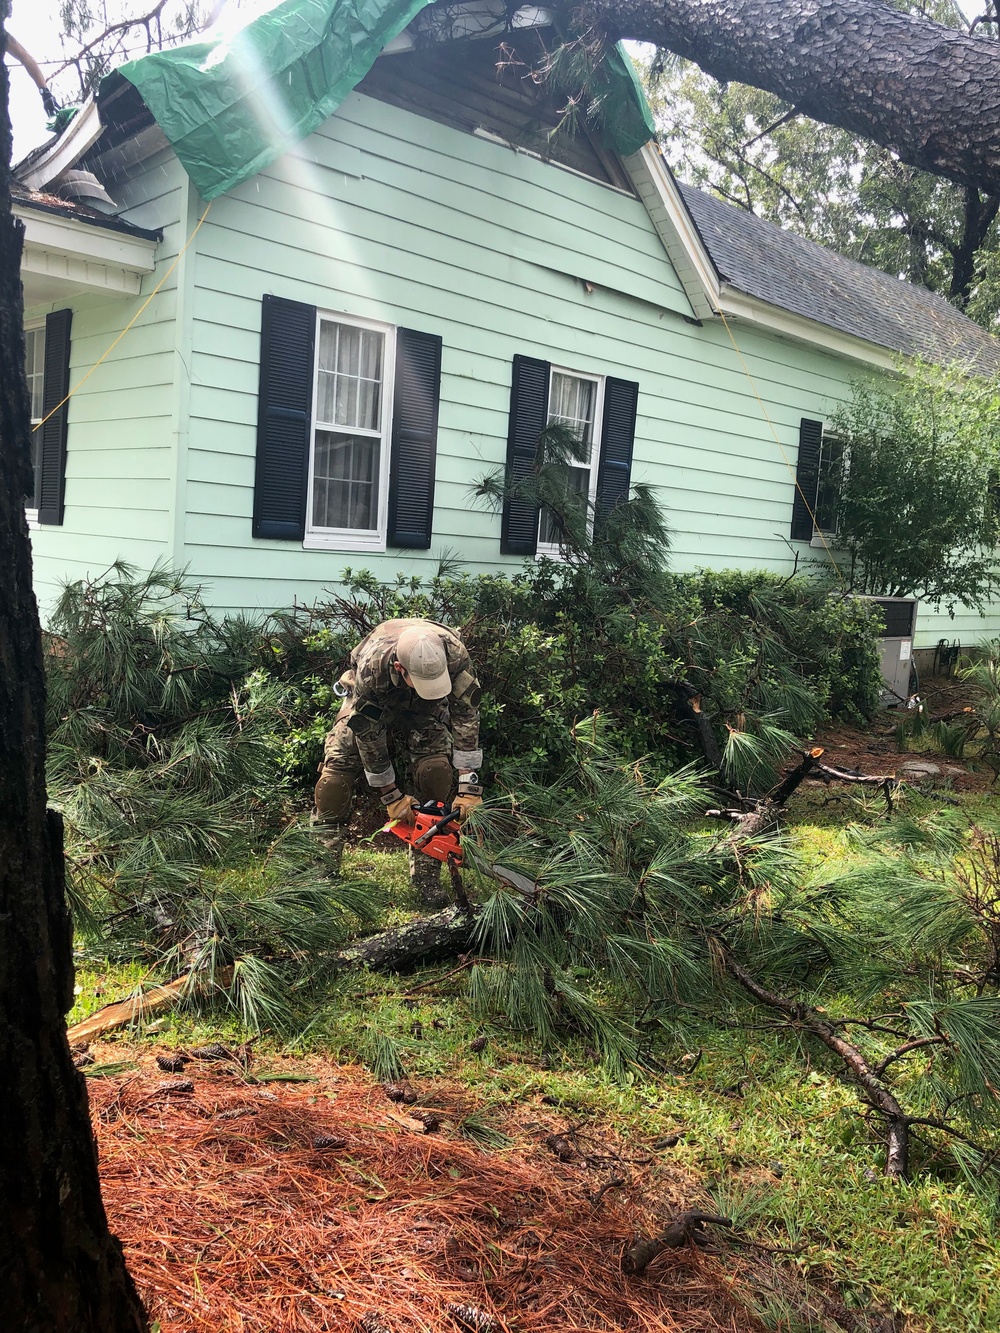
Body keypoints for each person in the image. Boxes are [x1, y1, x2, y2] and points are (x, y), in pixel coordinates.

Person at [312, 617, 484, 903]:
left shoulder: (454, 654)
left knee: (435, 772)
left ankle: (427, 876)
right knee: (334, 781)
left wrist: (469, 784)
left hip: (427, 708)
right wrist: (391, 796)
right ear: (399, 667)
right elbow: (369, 736)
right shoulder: (373, 669)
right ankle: (321, 871)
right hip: (371, 700)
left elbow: (466, 715)